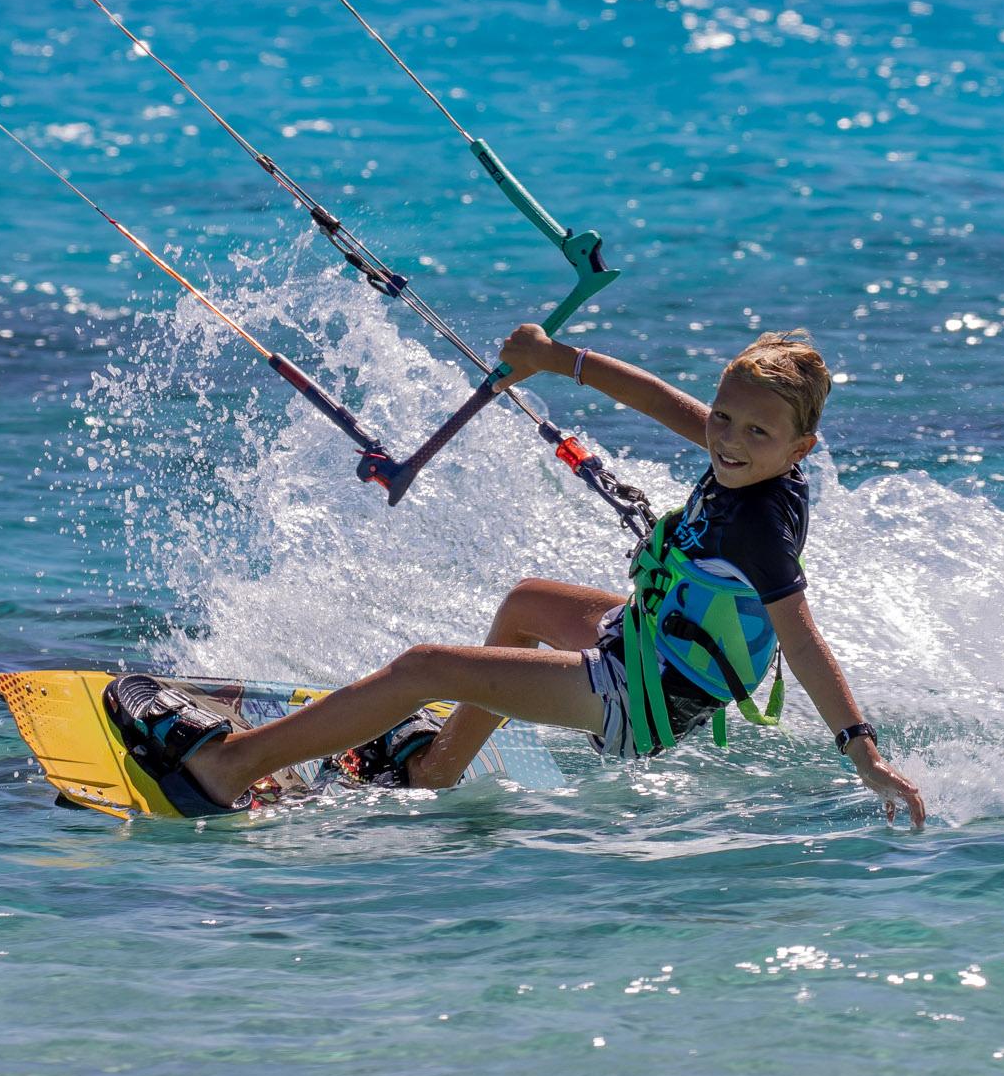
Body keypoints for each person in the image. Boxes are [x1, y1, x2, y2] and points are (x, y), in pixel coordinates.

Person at [108, 324, 926, 829]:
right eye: (723, 415)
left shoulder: (760, 530)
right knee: (527, 600)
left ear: (800, 449)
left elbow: (805, 642)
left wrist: (864, 754)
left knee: (427, 664)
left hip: (640, 693)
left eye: (755, 431)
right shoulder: (752, 458)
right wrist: (557, 359)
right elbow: (663, 403)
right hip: (651, 643)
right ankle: (436, 769)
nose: (727, 440)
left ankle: (227, 767)